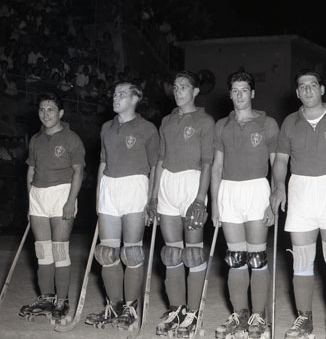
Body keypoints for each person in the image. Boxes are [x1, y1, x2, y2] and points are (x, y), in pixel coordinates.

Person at [270, 69, 326, 339]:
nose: (308, 89)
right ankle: (304, 320)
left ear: (321, 89)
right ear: (297, 93)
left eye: (312, 85)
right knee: (301, 260)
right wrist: (279, 186)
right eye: (302, 86)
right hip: (301, 191)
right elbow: (281, 160)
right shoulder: (290, 122)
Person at [84, 83, 159, 329]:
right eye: (115, 94)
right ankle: (114, 305)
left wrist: (152, 198)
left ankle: (131, 307)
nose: (115, 98)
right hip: (110, 187)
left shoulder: (147, 128)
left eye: (122, 94)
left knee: (132, 252)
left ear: (135, 99)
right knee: (107, 252)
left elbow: (155, 166)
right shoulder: (106, 127)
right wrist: (99, 197)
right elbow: (102, 163)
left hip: (135, 186)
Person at [210, 71, 279, 339]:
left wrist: (273, 200)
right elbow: (216, 167)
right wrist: (215, 204)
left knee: (257, 258)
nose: (239, 95)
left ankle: (258, 317)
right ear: (230, 94)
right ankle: (239, 315)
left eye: (244, 90)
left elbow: (276, 165)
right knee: (235, 258)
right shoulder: (221, 125)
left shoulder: (267, 123)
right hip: (229, 191)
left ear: (252, 93)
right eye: (235, 90)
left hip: (257, 190)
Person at [147, 71, 215, 337]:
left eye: (184, 87)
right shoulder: (166, 121)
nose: (178, 92)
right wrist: (153, 195)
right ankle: (176, 309)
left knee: (193, 253)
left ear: (195, 91)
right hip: (168, 183)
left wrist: (200, 199)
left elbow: (207, 163)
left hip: (192, 182)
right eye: (175, 87)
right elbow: (160, 160)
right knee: (171, 252)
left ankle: (194, 313)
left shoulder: (205, 121)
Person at [19, 93, 85, 322]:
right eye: (42, 109)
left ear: (61, 113)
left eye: (51, 110)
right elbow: (30, 171)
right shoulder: (35, 140)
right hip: (38, 195)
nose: (45, 114)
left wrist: (70, 201)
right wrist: (31, 201)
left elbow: (78, 171)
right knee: (42, 251)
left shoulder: (71, 138)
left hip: (61, 194)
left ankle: (62, 300)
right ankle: (46, 297)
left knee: (59, 250)